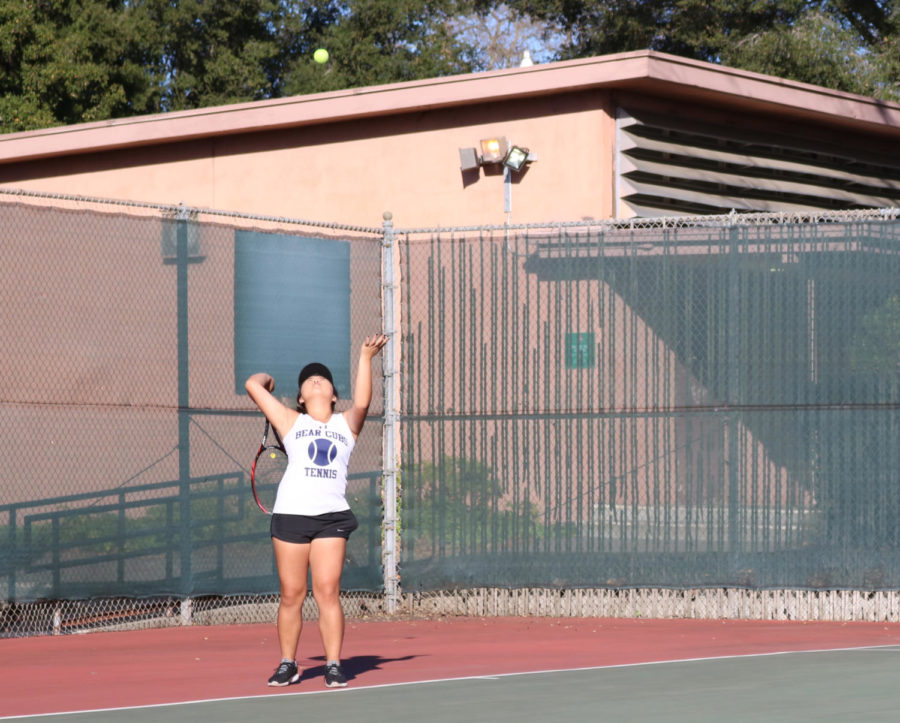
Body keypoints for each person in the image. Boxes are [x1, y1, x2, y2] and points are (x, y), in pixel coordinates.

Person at [245, 334, 388, 688]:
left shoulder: (347, 425)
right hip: (291, 516)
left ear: (334, 394)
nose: (315, 379)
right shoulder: (290, 421)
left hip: (331, 518)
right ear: (300, 397)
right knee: (292, 594)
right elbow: (252, 384)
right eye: (308, 379)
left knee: (327, 591)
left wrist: (365, 357)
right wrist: (268, 381)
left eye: (322, 378)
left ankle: (334, 664)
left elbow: (365, 401)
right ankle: (288, 664)